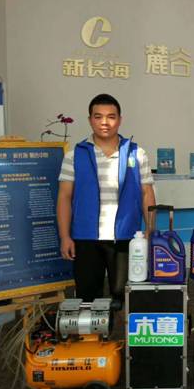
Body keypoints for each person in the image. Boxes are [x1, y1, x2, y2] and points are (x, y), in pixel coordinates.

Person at [57, 93, 156, 303]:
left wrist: (150, 230)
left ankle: (121, 325)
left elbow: (146, 192)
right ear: (90, 120)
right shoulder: (74, 156)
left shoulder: (136, 154)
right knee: (88, 297)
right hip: (86, 238)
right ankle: (95, 326)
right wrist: (65, 236)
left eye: (111, 116)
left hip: (126, 237)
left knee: (126, 294)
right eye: (98, 116)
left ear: (120, 120)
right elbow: (64, 197)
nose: (105, 122)